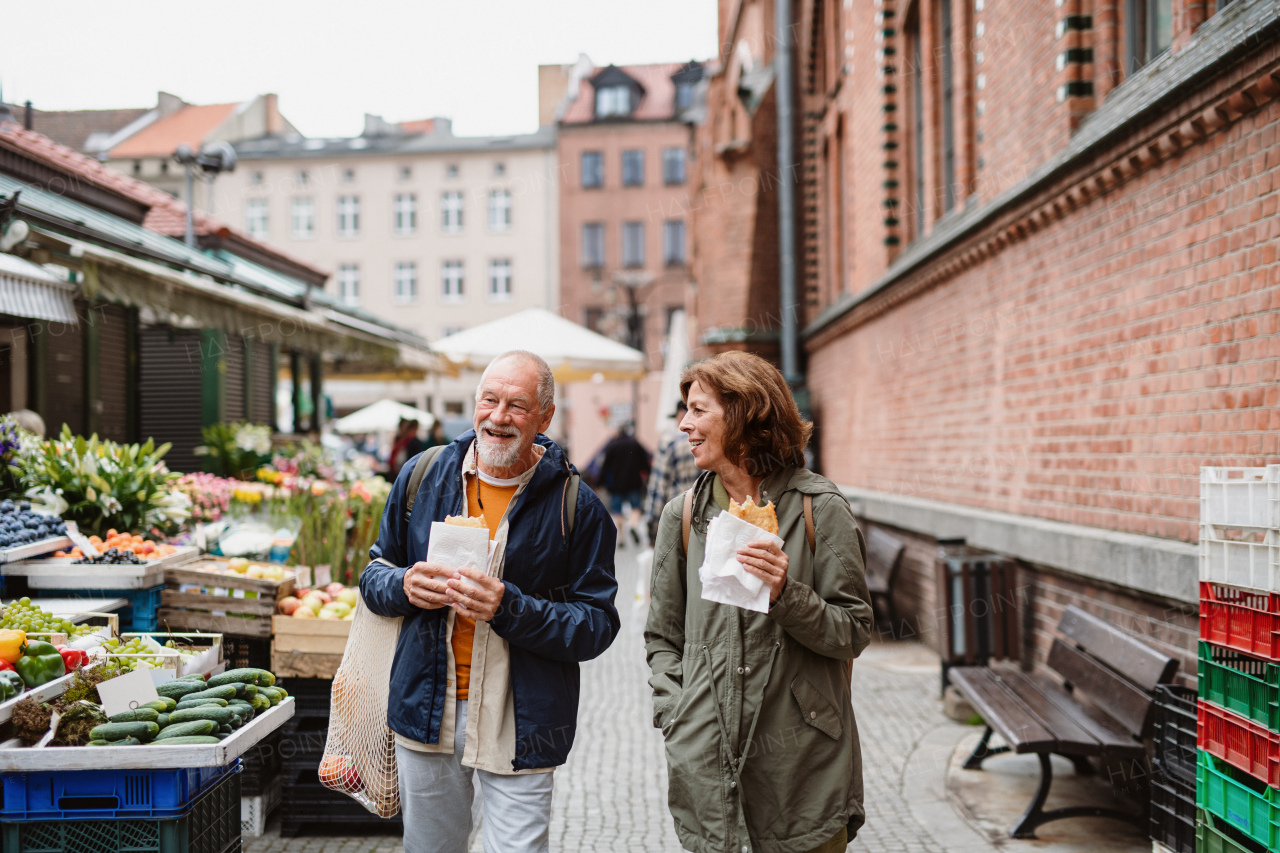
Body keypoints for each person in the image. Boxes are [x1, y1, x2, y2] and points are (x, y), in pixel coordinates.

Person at [360, 350, 621, 853]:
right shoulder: (423, 475)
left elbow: (596, 624)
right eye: (490, 400)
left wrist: (509, 608)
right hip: (427, 708)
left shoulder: (577, 505)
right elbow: (375, 573)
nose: (499, 417)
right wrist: (405, 586)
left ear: (544, 417)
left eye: (517, 405)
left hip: (521, 719)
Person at [644, 351, 874, 853]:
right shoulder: (680, 517)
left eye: (699, 410)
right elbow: (662, 636)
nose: (685, 424)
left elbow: (853, 631)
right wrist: (677, 713)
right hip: (706, 762)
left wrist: (785, 595)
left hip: (803, 767)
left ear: (746, 413)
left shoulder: (819, 509)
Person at [643, 400, 701, 544]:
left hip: (676, 518)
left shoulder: (669, 441)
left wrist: (652, 527)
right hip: (703, 515)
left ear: (681, 414)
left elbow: (658, 487)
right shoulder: (707, 439)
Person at [598, 424, 651, 544]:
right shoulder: (635, 443)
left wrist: (600, 482)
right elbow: (645, 462)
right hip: (634, 483)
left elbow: (605, 466)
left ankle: (621, 535)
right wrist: (648, 474)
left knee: (617, 510)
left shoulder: (612, 445)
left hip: (616, 485)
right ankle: (632, 525)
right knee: (636, 507)